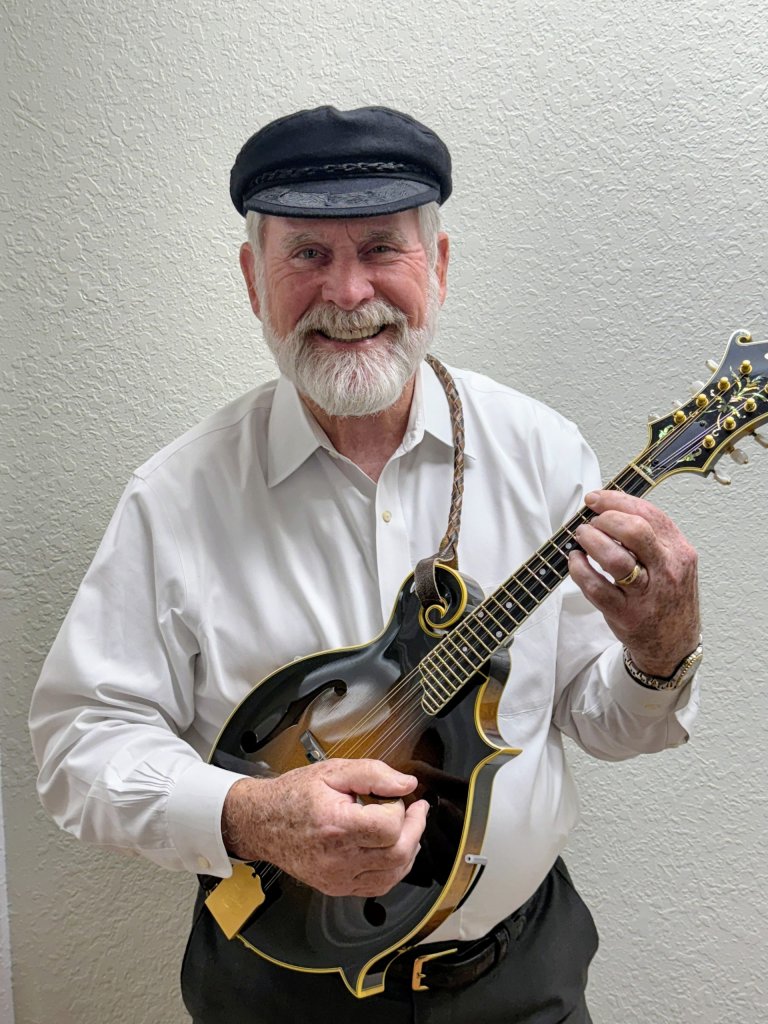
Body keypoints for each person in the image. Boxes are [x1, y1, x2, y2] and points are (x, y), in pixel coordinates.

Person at [30, 105, 701, 1024]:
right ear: (252, 280)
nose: (347, 293)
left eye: (383, 248)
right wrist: (248, 816)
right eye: (307, 254)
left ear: (439, 265)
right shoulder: (177, 495)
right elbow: (80, 742)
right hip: (275, 993)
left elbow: (606, 721)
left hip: (518, 982)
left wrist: (659, 651)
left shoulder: (543, 454)